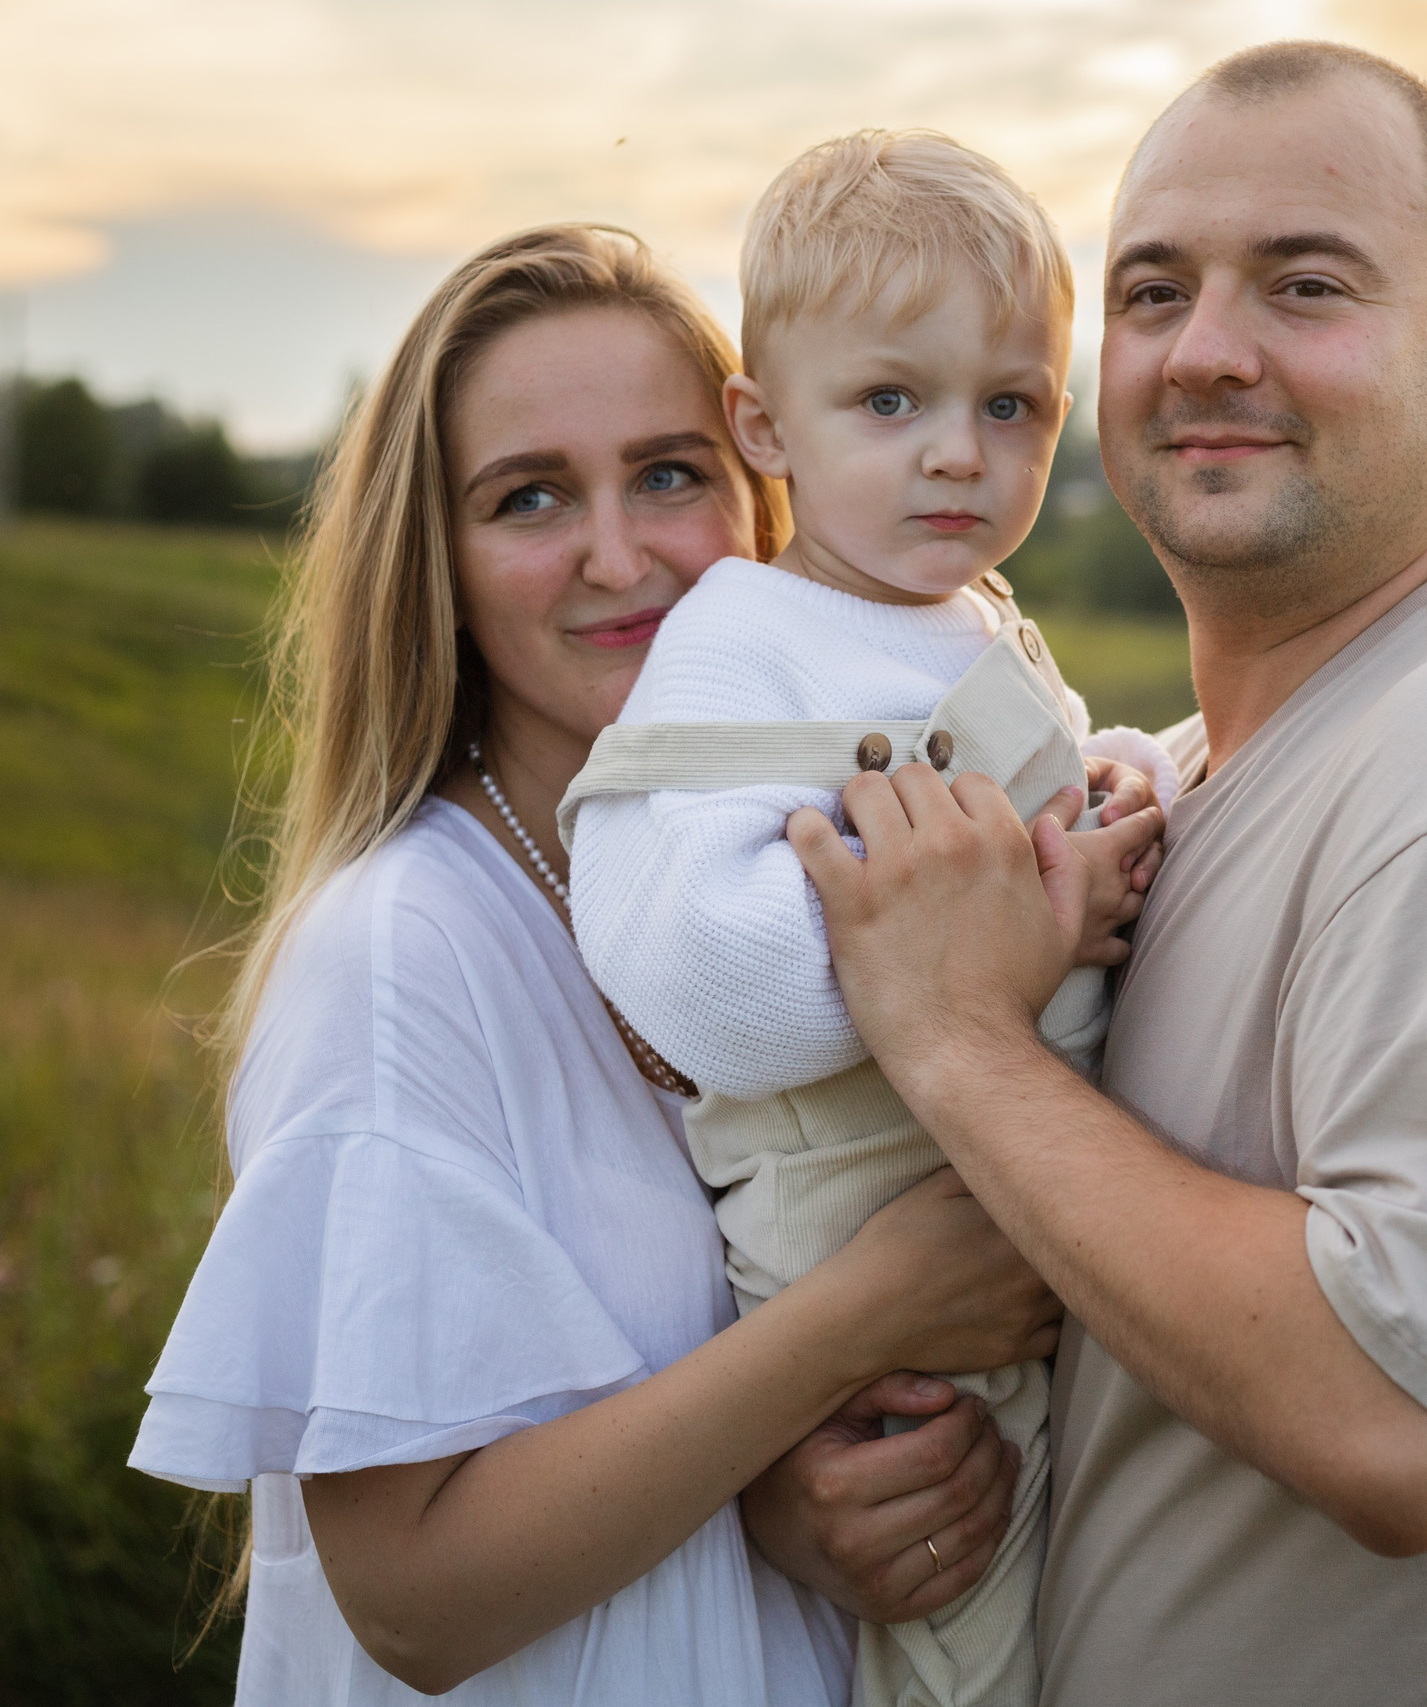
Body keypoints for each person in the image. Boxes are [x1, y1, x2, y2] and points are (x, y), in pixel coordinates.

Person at [749, 42, 1427, 1705]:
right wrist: (845, 1494)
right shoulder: (1190, 773)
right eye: (1154, 293)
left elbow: (1399, 1421)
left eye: (1305, 286)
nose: (1207, 351)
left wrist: (957, 1042)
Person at [126, 224, 1115, 1704]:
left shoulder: (800, 864)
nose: (619, 554)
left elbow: (662, 1426)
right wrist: (870, 1312)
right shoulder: (403, 952)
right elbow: (414, 1597)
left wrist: (786, 1508)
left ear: (761, 473)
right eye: (529, 497)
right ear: (440, 563)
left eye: (667, 475)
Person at [559, 131, 1172, 1707]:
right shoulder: (740, 642)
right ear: (766, 428)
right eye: (892, 402)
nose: (959, 453)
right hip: (865, 1254)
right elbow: (702, 981)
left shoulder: (973, 621)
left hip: (1019, 1225)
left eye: (1011, 406)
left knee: (1088, 1602)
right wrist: (1036, 920)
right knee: (959, 1634)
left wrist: (1118, 781)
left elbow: (1028, 790)